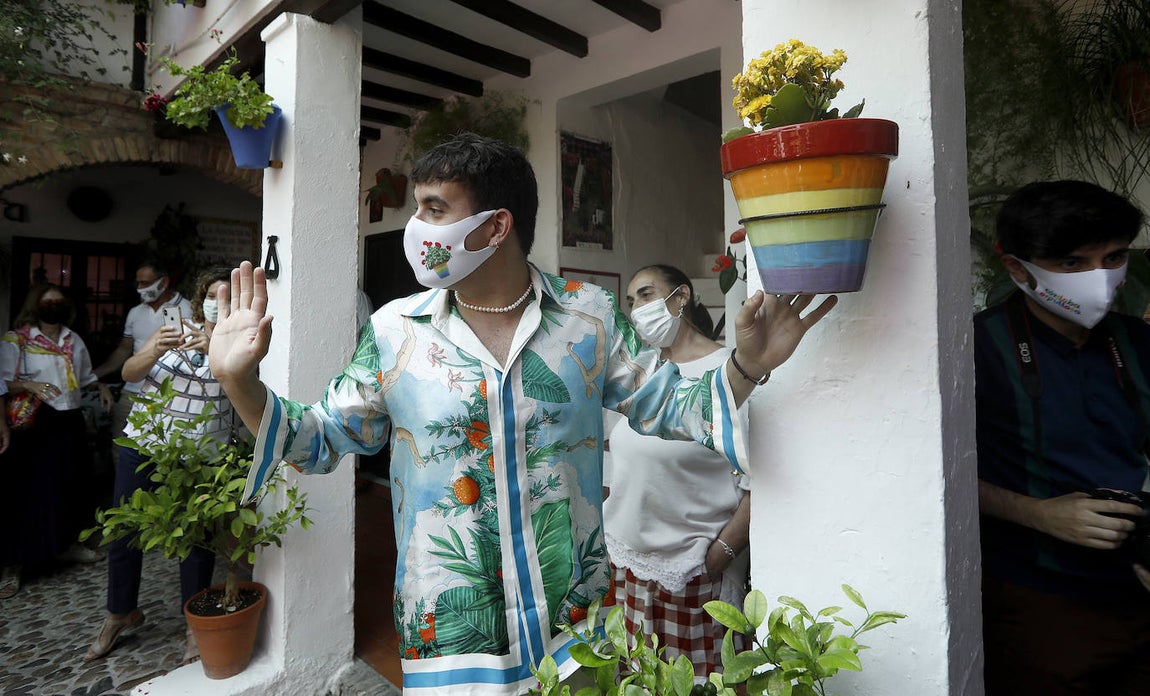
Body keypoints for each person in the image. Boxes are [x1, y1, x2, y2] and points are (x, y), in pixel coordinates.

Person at [209, 133, 835, 694]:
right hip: (451, 634)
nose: (417, 226)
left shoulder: (587, 317)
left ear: (495, 226)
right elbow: (316, 439)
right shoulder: (395, 331)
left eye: (434, 208)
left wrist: (748, 365)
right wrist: (241, 380)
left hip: (575, 627)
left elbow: (675, 406)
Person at [976, 180, 1150, 695]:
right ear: (1016, 268)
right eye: (1073, 263)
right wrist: (1040, 513)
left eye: (1114, 257)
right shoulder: (974, 350)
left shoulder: (1138, 343)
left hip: (1135, 585)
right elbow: (930, 476)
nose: (1100, 278)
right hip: (1035, 601)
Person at [602, 264, 750, 681]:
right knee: (639, 684)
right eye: (631, 301)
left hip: (691, 576)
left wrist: (720, 555)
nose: (636, 310)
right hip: (630, 572)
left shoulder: (730, 374)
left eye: (646, 295)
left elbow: (759, 481)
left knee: (700, 685)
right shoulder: (639, 380)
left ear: (681, 297)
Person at [84, 268, 234, 663]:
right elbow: (130, 372)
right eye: (213, 297)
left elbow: (246, 388)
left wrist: (215, 349)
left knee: (197, 543)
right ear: (200, 300)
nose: (219, 304)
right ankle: (119, 613)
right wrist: (154, 350)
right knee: (123, 530)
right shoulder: (175, 327)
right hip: (146, 442)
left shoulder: (246, 340)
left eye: (228, 297)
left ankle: (193, 623)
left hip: (201, 453)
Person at [0, 285, 113, 598]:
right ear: (35, 305)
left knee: (68, 484)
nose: (53, 305)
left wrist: (101, 386)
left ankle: (67, 544)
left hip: (68, 420)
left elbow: (86, 375)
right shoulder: (17, 339)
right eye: (47, 301)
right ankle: (13, 564)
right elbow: (2, 381)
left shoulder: (72, 340)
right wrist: (28, 384)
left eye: (59, 301)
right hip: (34, 424)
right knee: (26, 493)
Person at [94, 260, 192, 442]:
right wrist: (97, 373)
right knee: (123, 445)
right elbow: (124, 349)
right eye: (138, 283)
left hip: (170, 393)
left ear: (163, 282)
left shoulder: (188, 310)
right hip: (133, 390)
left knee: (165, 450)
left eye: (145, 283)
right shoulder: (135, 313)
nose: (139, 288)